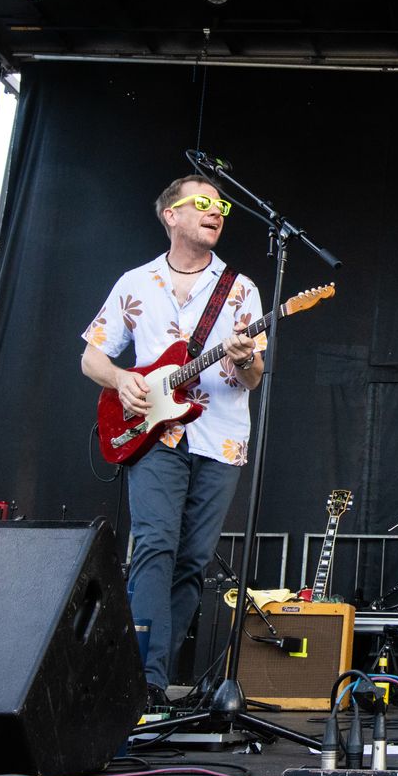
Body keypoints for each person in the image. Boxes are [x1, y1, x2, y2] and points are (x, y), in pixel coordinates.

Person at [81, 175, 266, 708]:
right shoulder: (135, 282)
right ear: (171, 215)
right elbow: (91, 356)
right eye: (202, 203)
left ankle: (154, 677)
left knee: (192, 559)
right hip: (155, 434)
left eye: (221, 206)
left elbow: (254, 377)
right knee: (155, 545)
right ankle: (144, 680)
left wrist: (244, 358)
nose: (216, 212)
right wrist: (122, 380)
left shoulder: (241, 289)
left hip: (220, 437)